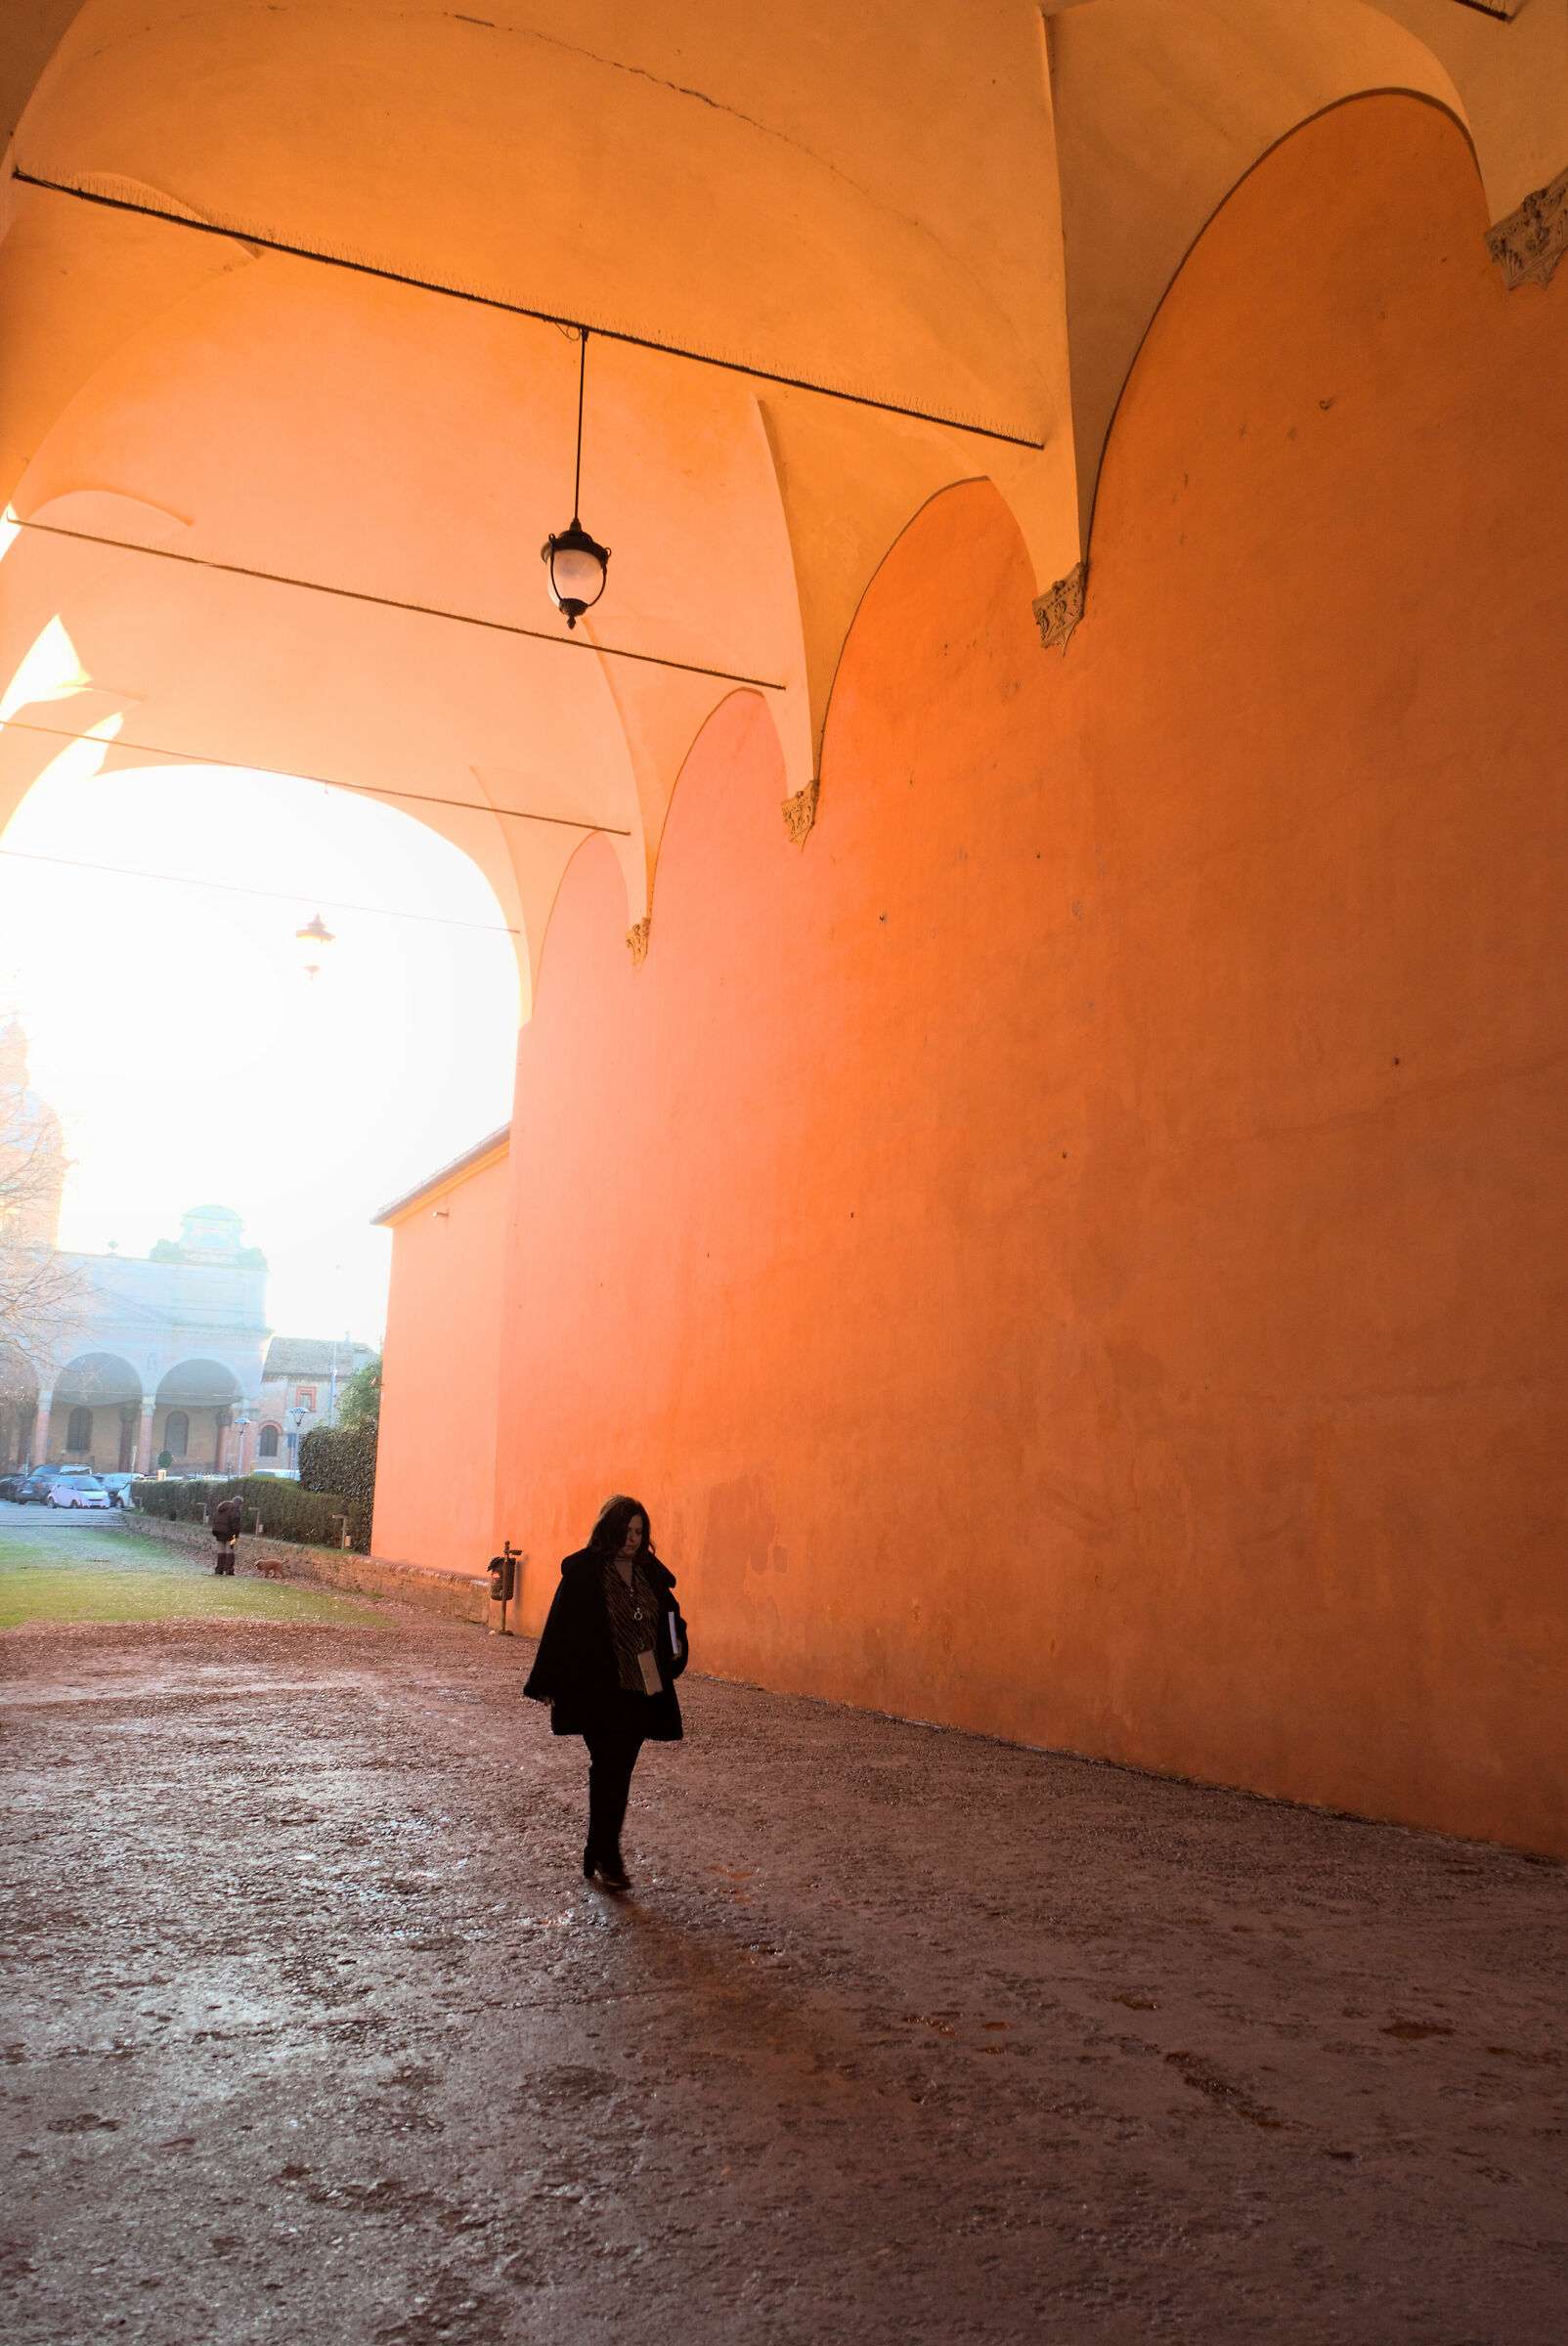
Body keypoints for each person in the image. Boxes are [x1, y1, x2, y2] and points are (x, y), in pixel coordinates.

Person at [523, 1494, 688, 1890]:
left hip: (643, 1688)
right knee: (610, 1767)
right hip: (600, 1689)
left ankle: (598, 1849)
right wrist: (547, 1681)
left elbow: (670, 1619)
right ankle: (608, 1856)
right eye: (628, 1530)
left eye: (640, 1531)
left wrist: (676, 1651)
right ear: (611, 1529)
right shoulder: (585, 1573)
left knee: (617, 1772)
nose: (634, 1538)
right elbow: (560, 1627)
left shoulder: (651, 1572)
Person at [211, 1492, 243, 1576]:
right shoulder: (235, 1509)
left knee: (221, 1551)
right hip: (230, 1534)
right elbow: (235, 1523)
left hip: (219, 1532)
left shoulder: (221, 1507)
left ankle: (219, 1569)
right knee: (230, 1551)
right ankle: (229, 1569)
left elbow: (215, 1519)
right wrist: (236, 1535)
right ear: (239, 1504)